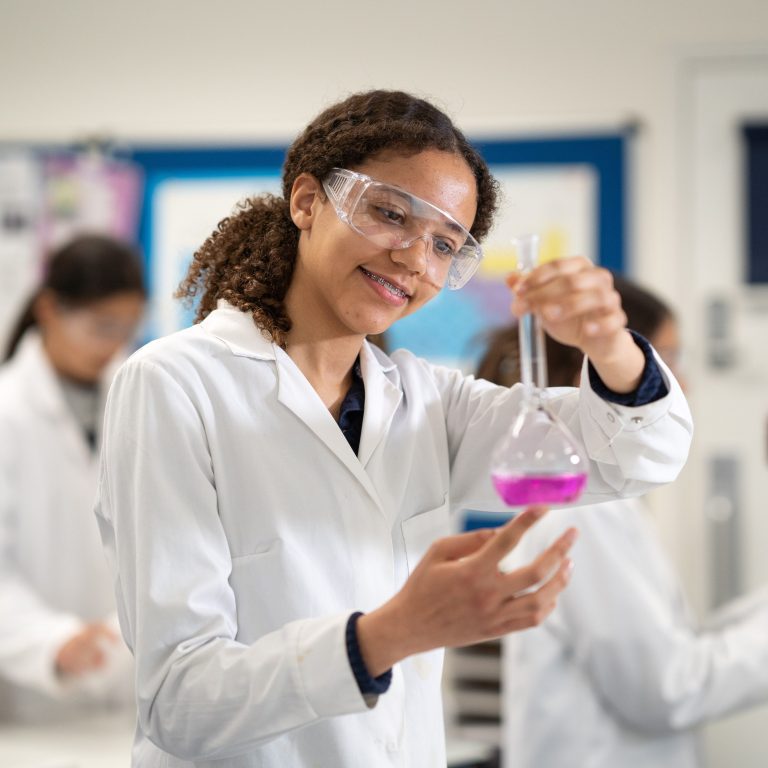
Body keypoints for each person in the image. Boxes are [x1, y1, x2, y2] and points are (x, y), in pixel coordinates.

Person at [94, 90, 692, 768]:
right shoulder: (176, 384)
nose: (414, 259)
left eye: (445, 245)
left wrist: (610, 344)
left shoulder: (426, 404)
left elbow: (635, 459)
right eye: (388, 213)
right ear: (308, 202)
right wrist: (387, 636)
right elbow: (179, 700)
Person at [495, 275, 768, 768]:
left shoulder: (604, 502)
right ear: (604, 369)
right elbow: (666, 690)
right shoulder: (579, 514)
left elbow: (679, 646)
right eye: (670, 358)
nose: (680, 383)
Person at [0, 233, 146, 722]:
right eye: (101, 325)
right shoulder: (8, 411)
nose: (113, 344)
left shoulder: (142, 400)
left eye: (126, 328)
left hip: (132, 681)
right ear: (48, 309)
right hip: (34, 694)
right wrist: (51, 641)